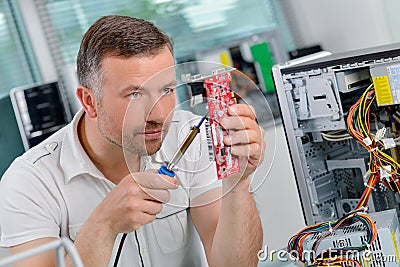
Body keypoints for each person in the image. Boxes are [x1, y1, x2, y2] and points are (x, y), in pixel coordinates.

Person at [0, 15, 265, 267]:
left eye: (167, 90)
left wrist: (237, 182)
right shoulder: (29, 182)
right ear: (90, 102)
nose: (160, 115)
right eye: (135, 95)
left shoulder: (188, 137)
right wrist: (103, 227)